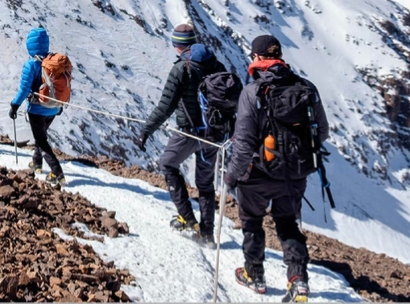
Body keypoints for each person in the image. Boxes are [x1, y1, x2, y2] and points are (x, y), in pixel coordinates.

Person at [224, 34, 329, 303]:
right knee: (287, 223)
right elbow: (323, 132)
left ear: (258, 58)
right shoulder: (306, 88)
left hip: (258, 174)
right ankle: (298, 280)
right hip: (295, 174)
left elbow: (245, 143)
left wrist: (232, 177)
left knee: (252, 223)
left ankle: (254, 275)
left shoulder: (253, 92)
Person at [134, 23, 227, 246]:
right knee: (205, 184)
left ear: (177, 45)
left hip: (188, 132)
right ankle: (207, 233)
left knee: (167, 164)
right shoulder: (215, 64)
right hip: (213, 134)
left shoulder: (181, 69)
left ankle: (187, 218)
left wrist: (146, 130)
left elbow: (166, 106)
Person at [9, 27, 66, 189]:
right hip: (53, 108)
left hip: (37, 110)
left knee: (41, 140)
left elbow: (24, 89)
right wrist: (60, 104)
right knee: (40, 136)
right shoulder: (54, 62)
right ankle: (36, 163)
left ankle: (57, 173)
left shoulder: (31, 65)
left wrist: (14, 105)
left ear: (30, 45)